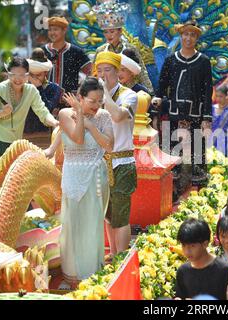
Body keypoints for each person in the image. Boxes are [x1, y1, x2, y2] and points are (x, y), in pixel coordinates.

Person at [55, 77, 113, 289]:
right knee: (71, 225)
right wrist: (80, 114)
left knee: (92, 226)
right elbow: (78, 139)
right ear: (79, 98)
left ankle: (91, 276)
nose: (97, 106)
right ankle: (71, 276)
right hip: (72, 176)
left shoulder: (104, 116)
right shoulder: (64, 114)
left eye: (100, 101)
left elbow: (109, 145)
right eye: (92, 101)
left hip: (96, 178)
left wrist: (91, 124)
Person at [152, 20, 213, 188]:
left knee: (196, 157)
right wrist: (157, 104)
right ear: (181, 35)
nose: (188, 38)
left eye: (192, 35)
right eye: (185, 34)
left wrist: (206, 118)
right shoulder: (171, 60)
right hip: (174, 115)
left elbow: (207, 91)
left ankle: (200, 199)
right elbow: (162, 85)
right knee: (173, 155)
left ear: (197, 38)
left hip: (196, 116)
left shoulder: (203, 61)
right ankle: (172, 194)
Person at [0, 57, 59, 172]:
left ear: (28, 76)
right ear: (8, 74)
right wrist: (2, 112)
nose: (17, 79)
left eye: (22, 75)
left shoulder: (31, 90)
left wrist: (55, 123)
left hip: (14, 143)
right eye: (13, 74)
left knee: (11, 183)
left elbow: (42, 111)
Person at [95, 51, 138, 257]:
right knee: (107, 214)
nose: (103, 75)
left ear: (117, 72)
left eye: (108, 70)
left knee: (121, 215)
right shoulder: (94, 96)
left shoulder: (129, 95)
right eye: (99, 70)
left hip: (122, 162)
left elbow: (119, 116)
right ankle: (112, 253)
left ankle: (122, 257)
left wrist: (104, 95)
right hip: (100, 162)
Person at [92, 0, 153, 93]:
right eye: (106, 32)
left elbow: (142, 73)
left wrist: (150, 93)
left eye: (112, 31)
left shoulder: (130, 48)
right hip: (106, 92)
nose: (109, 35)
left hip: (129, 91)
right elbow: (94, 75)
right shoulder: (100, 50)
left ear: (120, 31)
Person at [175, 218, 228, 300]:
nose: (187, 251)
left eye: (192, 246)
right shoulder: (183, 271)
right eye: (183, 245)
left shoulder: (225, 270)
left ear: (205, 244)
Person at [42, 16, 92, 94]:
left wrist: (81, 91)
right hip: (45, 101)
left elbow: (91, 72)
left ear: (64, 30)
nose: (52, 33)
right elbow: (33, 74)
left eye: (55, 29)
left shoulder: (76, 51)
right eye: (50, 30)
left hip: (70, 101)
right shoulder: (43, 51)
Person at [25, 48, 64, 133]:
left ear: (46, 72)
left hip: (44, 134)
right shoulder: (23, 87)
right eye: (31, 75)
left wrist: (38, 87)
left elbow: (47, 109)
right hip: (21, 133)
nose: (34, 78)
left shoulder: (55, 88)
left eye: (38, 75)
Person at [211, 85, 228, 155]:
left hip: (226, 142)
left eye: (221, 96)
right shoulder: (212, 108)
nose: (218, 98)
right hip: (212, 141)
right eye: (217, 96)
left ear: (227, 96)